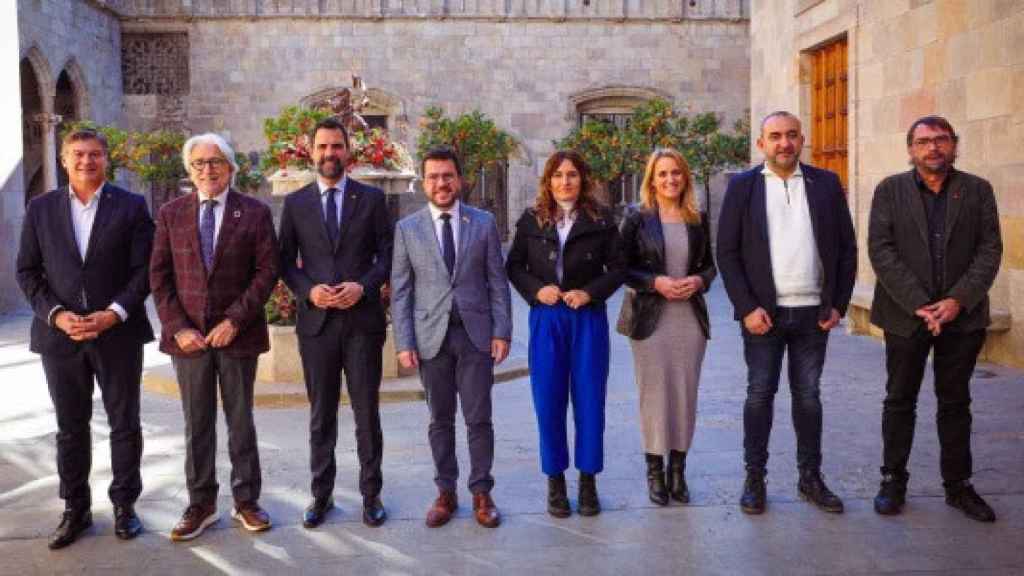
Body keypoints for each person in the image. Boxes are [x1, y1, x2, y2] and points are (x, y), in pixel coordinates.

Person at [16, 128, 154, 549]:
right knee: (69, 428)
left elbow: (144, 270)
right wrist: (56, 316)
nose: (86, 162)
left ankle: (125, 507)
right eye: (77, 154)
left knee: (124, 424)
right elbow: (27, 271)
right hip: (60, 338)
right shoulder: (40, 209)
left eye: (94, 154)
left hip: (117, 335)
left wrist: (113, 314)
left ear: (105, 159)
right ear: (63, 159)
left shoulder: (131, 207)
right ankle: (75, 510)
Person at [716, 111, 856, 515]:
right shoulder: (743, 187)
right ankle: (754, 479)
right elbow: (727, 252)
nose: (784, 143)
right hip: (764, 316)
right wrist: (746, 308)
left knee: (808, 397)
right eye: (775, 136)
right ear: (761, 143)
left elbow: (847, 248)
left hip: (814, 313)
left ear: (802, 139)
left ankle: (810, 478)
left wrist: (839, 304)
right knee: (760, 395)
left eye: (791, 135)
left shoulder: (825, 183)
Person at [868, 115, 1002, 522]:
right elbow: (881, 249)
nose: (933, 148)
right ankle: (893, 480)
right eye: (924, 141)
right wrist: (921, 304)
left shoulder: (977, 190)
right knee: (899, 400)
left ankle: (958, 486)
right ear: (910, 149)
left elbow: (989, 250)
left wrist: (957, 300)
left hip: (962, 318)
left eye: (941, 140)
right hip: (905, 315)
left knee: (956, 401)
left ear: (954, 145)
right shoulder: (890, 190)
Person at [150, 133, 279, 541]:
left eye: (216, 161)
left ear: (231, 167)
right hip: (188, 341)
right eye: (200, 163)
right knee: (197, 422)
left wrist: (235, 321)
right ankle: (200, 504)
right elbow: (159, 276)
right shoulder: (171, 214)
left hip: (236, 337)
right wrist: (179, 327)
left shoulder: (254, 213)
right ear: (190, 170)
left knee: (241, 421)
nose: (208, 169)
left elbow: (266, 272)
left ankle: (246, 501)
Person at [278, 118, 393, 528]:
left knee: (367, 413)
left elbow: (387, 255)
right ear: (311, 152)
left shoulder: (373, 200)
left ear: (349, 151)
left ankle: (371, 495)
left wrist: (364, 287)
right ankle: (321, 495)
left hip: (362, 323)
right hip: (317, 326)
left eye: (337, 147)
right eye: (323, 147)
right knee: (321, 415)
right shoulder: (295, 204)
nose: (330, 154)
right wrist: (308, 291)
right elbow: (284, 262)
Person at [390, 146, 512, 528]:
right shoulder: (407, 229)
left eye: (447, 176)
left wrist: (502, 331)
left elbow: (497, 282)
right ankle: (446, 492)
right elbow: (401, 290)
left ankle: (481, 492)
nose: (441, 183)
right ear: (423, 182)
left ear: (459, 180)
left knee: (479, 419)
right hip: (431, 339)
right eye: (433, 177)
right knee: (439, 420)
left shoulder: (484, 223)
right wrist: (404, 341)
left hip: (476, 336)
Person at [505, 150, 624, 517]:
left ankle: (588, 483)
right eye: (558, 175)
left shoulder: (601, 220)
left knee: (590, 400)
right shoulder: (531, 220)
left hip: (586, 317)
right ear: (548, 181)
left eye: (572, 174)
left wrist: (590, 292)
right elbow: (514, 267)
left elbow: (618, 268)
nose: (565, 181)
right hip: (547, 319)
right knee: (549, 401)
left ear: (582, 179)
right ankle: (555, 482)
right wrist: (535, 290)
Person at [617, 148, 715, 506]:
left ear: (684, 177)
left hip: (689, 320)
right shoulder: (637, 218)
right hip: (650, 319)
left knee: (685, 394)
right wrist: (654, 282)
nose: (670, 179)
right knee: (655, 396)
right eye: (662, 174)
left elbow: (710, 267)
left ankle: (678, 470)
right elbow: (620, 267)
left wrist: (700, 282)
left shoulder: (697, 218)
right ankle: (655, 470)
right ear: (651, 180)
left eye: (676, 173)